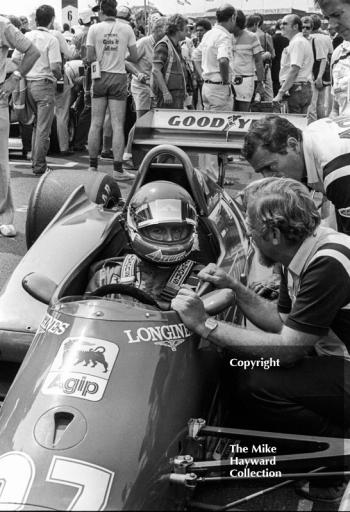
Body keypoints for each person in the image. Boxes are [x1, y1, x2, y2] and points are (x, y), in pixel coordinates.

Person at [172, 177, 350, 501]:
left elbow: (288, 351)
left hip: (339, 362)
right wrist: (235, 288)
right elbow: (280, 322)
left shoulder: (327, 262)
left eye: (252, 231)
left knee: (257, 383)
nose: (251, 239)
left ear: (273, 234)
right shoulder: (299, 251)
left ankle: (336, 460)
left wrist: (203, 324)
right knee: (238, 363)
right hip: (334, 358)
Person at [86, 180, 202, 310]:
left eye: (177, 230)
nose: (169, 239)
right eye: (158, 231)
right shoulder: (106, 276)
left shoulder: (200, 281)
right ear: (133, 228)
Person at [242, 114, 350, 235]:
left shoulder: (337, 170)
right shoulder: (313, 131)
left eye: (270, 167)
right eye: (261, 172)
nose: (268, 178)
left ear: (293, 145)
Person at [86, 0, 138, 180]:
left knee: (96, 122)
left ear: (101, 10)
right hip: (118, 76)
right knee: (117, 124)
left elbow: (89, 57)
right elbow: (136, 56)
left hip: (99, 76)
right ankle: (117, 170)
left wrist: (101, 59)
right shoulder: (127, 28)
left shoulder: (94, 29)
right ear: (115, 10)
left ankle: (93, 167)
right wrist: (121, 55)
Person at [0, 15, 39, 237]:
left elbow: (32, 51)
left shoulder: (3, 25)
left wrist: (15, 77)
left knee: (0, 161)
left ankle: (4, 216)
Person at [12, 4, 62, 176]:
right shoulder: (52, 39)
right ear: (52, 20)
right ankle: (39, 165)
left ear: (36, 20)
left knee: (35, 126)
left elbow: (16, 58)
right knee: (42, 128)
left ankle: (36, 161)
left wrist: (26, 70)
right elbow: (55, 67)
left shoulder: (27, 35)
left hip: (27, 84)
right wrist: (59, 76)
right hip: (44, 84)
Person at [122, 15, 167, 170]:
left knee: (148, 124)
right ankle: (128, 156)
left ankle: (141, 156)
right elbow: (126, 60)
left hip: (153, 88)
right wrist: (138, 73)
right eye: (166, 29)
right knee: (141, 122)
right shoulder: (143, 43)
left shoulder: (162, 44)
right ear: (159, 30)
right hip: (141, 86)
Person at [192, 4, 235, 112]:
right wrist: (225, 80)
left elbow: (195, 56)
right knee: (222, 123)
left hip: (207, 87)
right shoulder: (223, 36)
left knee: (210, 123)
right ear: (233, 17)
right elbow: (223, 60)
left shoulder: (209, 34)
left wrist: (202, 74)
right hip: (219, 88)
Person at [273, 14, 313, 114]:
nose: (281, 26)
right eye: (281, 24)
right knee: (301, 124)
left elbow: (295, 68)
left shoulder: (297, 42)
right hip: (300, 87)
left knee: (294, 124)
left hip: (295, 89)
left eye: (285, 24)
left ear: (295, 26)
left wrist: (281, 92)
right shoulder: (299, 41)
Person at [151, 14, 189, 110]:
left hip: (175, 94)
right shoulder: (163, 45)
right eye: (185, 29)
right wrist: (165, 92)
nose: (187, 32)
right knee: (164, 123)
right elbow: (156, 71)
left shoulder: (176, 45)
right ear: (177, 30)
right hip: (168, 95)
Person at [232, 9, 264, 112]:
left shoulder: (252, 37)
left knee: (243, 114)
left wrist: (260, 83)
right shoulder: (226, 36)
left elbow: (259, 61)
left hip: (245, 81)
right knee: (228, 114)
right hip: (228, 81)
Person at [306, 14, 333, 124]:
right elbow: (331, 53)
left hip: (312, 72)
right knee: (321, 103)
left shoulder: (310, 39)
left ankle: (312, 127)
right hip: (325, 72)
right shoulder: (327, 37)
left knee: (311, 105)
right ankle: (322, 125)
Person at [271, 19, 289, 97]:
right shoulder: (288, 39)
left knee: (275, 89)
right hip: (286, 67)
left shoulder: (272, 38)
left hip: (274, 67)